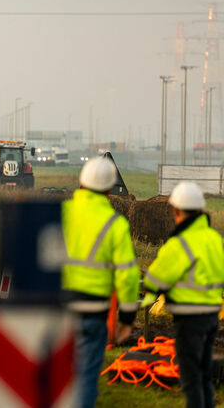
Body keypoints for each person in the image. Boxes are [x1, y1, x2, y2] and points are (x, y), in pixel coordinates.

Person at [62, 157, 139, 408]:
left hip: (58, 309)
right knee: (85, 378)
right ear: (109, 190)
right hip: (93, 312)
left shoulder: (62, 213)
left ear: (81, 183)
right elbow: (127, 275)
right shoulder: (115, 225)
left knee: (56, 378)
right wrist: (126, 319)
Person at [142, 181, 224, 408]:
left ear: (176, 210)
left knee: (191, 380)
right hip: (212, 317)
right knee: (205, 375)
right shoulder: (215, 240)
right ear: (200, 210)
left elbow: (154, 279)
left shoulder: (179, 243)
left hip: (189, 320)